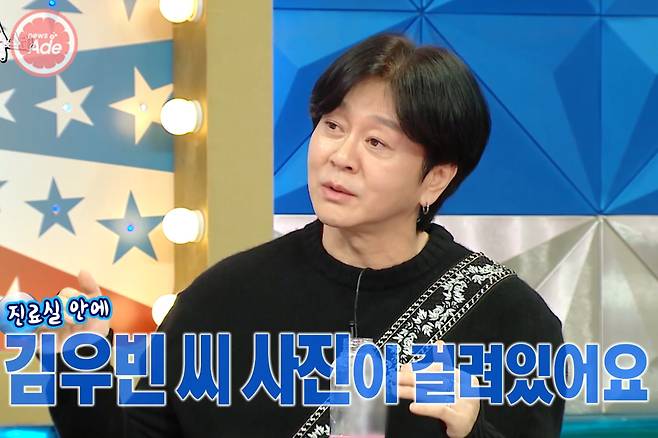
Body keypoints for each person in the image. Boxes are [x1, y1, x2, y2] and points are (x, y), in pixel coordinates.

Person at [46, 33, 565, 437]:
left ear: (435, 179)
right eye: (333, 126)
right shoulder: (225, 297)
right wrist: (78, 369)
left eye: (377, 142)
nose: (341, 156)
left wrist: (472, 431)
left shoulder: (509, 319)